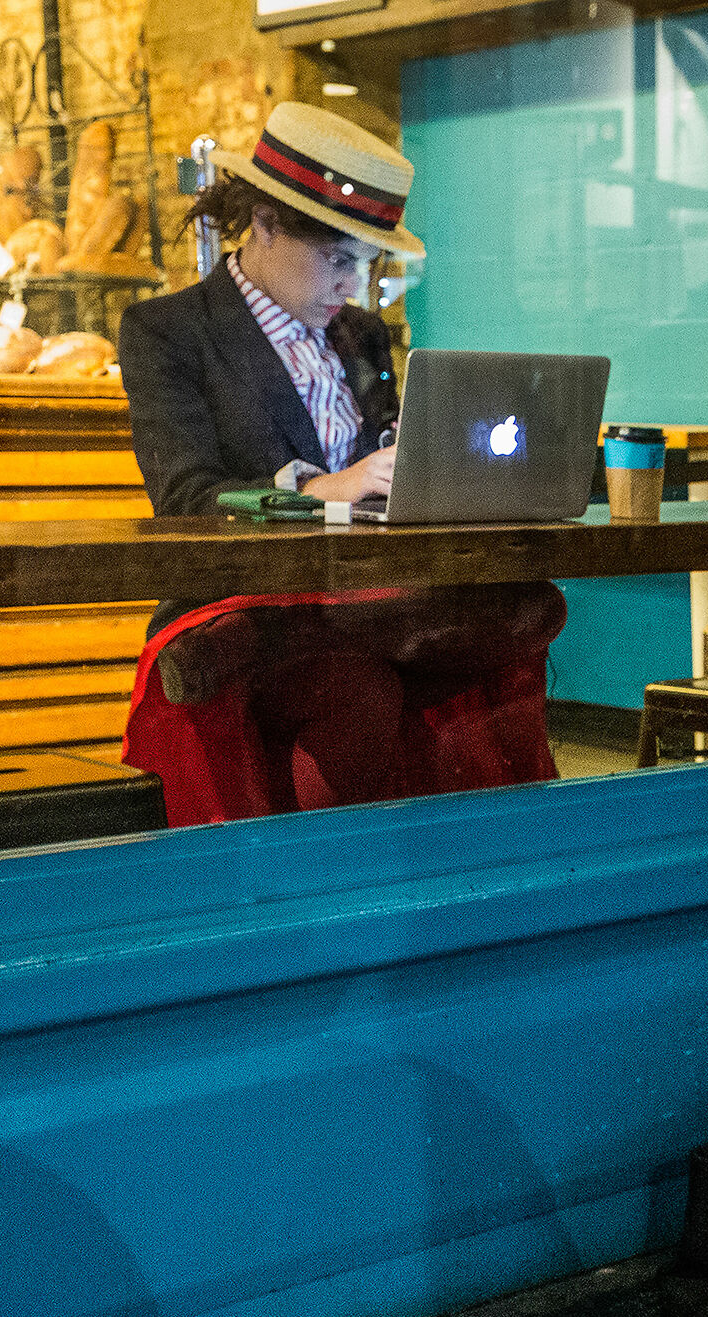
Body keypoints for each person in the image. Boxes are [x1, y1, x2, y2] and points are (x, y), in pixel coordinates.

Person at [117, 103, 566, 824]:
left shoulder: (359, 335)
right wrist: (328, 488)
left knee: (532, 610)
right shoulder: (169, 332)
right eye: (336, 259)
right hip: (245, 597)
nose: (351, 287)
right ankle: (335, 883)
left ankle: (486, 861)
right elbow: (185, 497)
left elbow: (389, 457)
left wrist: (435, 478)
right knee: (365, 686)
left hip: (365, 590)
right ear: (264, 222)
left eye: (364, 264)